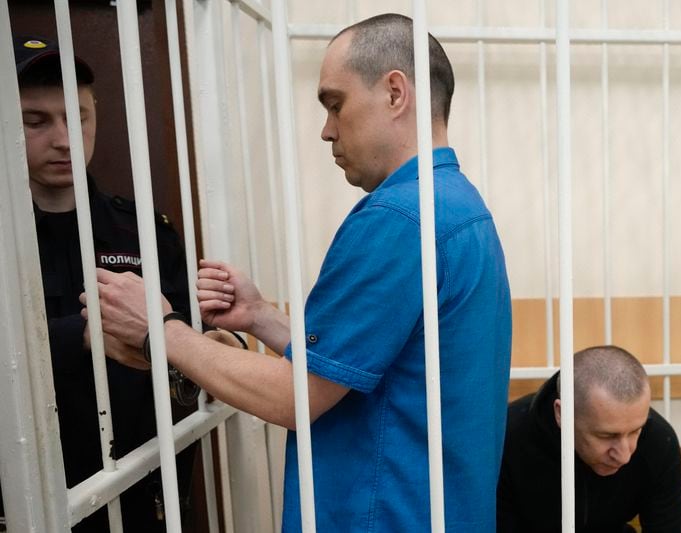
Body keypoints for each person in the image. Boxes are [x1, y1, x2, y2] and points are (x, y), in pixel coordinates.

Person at [88, 13, 513, 531]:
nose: (326, 130)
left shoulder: (399, 219)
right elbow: (374, 365)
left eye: (336, 104)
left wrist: (161, 329)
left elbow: (297, 398)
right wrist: (263, 317)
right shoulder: (457, 206)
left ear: (396, 93)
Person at [1, 35, 197, 532]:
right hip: (26, 502)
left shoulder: (146, 231)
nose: (64, 139)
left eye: (77, 116)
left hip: (137, 489)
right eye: (36, 121)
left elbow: (189, 347)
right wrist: (84, 336)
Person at [497, 345, 681, 532]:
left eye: (636, 431)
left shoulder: (658, 441)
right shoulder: (508, 439)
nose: (624, 455)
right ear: (562, 413)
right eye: (607, 436)